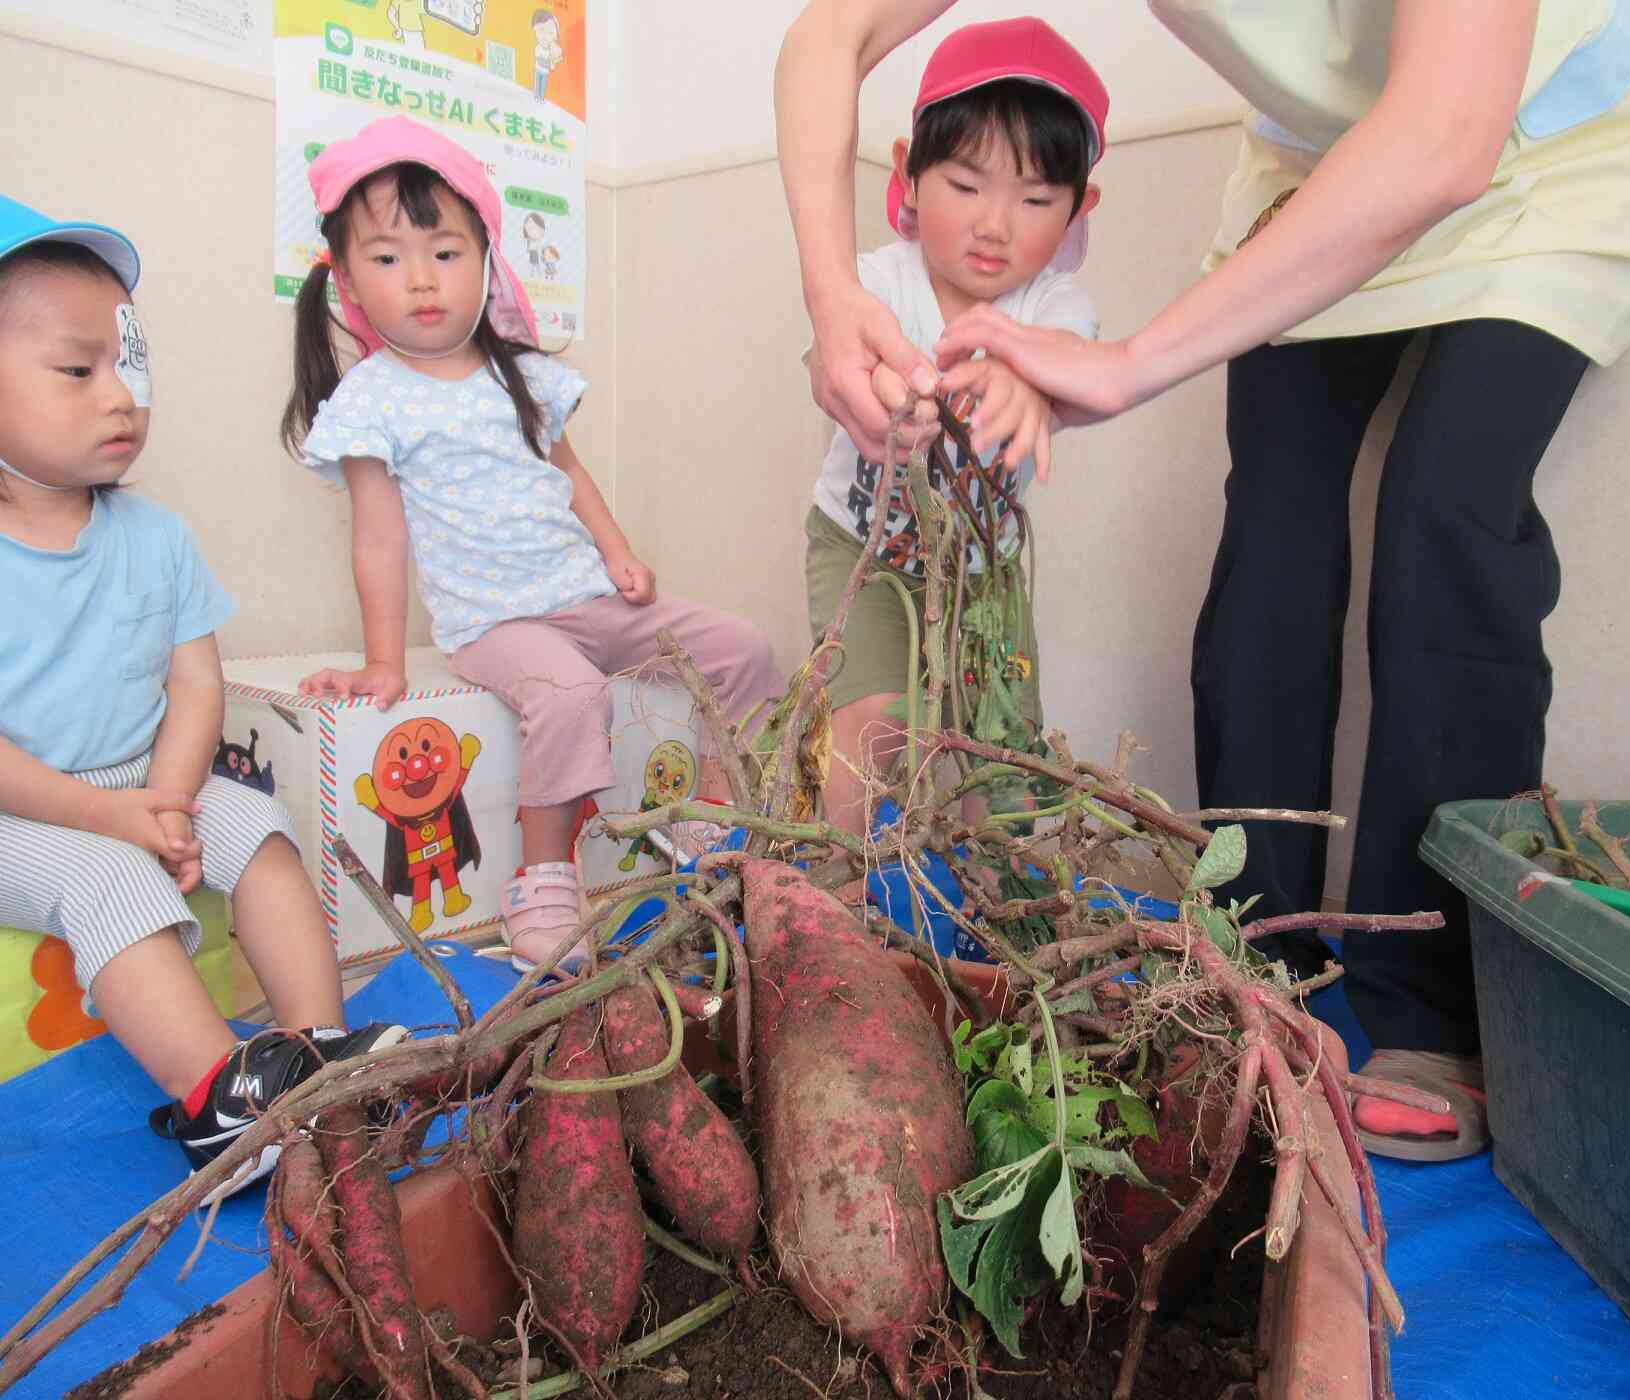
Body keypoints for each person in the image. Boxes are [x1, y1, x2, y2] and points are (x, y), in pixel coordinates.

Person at [776, 0, 1630, 1159]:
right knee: (1270, 544)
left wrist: (1127, 365)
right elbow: (829, 34)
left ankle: (1432, 1007)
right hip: (1325, 178)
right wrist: (826, 288)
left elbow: (1450, 137)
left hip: (1542, 154)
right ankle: (1257, 956)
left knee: (1441, 521)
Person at [281, 118, 782, 973]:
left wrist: (619, 552)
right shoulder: (374, 401)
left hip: (586, 596)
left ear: (484, 257)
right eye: (388, 258)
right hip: (497, 622)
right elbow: (377, 536)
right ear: (350, 285)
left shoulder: (522, 373)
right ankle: (544, 878)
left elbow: (572, 476)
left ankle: (706, 817)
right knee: (570, 692)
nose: (422, 280)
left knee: (743, 649)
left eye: (444, 252)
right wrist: (383, 663)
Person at [0, 195, 404, 1198]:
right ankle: (215, 1103)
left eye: (130, 367)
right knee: (109, 879)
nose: (121, 397)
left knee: (259, 825)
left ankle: (316, 1050)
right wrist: (111, 817)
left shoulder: (157, 536)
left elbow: (195, 681)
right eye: (79, 371)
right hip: (22, 806)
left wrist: (173, 799)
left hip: (147, 779)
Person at [802, 17, 1104, 836]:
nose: (994, 225)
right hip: (861, 548)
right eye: (967, 187)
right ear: (908, 173)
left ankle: (993, 903)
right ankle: (840, 885)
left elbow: (1066, 355)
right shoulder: (873, 279)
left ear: (1079, 210)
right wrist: (867, 386)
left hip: (985, 580)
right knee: (873, 715)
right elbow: (820, 362)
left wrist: (1021, 376)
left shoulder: (1052, 306)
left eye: (1036, 199)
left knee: (992, 752)